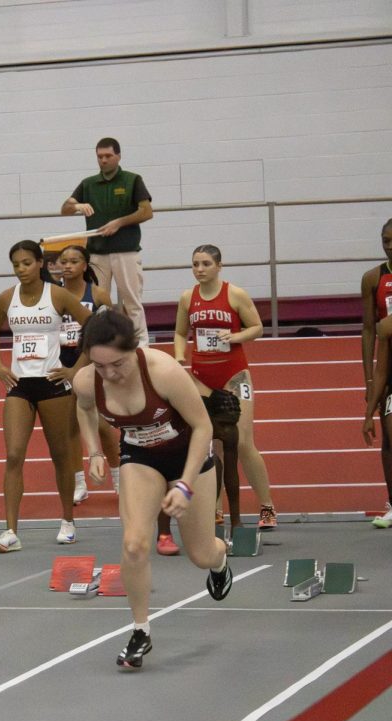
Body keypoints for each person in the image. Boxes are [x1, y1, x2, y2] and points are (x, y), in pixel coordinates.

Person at [73, 310, 232, 669]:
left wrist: (187, 485)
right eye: (100, 367)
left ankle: (220, 559)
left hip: (188, 454)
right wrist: (95, 451)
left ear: (134, 349)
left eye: (117, 364)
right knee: (133, 544)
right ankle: (140, 630)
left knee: (200, 554)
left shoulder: (162, 373)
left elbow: (204, 427)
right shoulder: (86, 381)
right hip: (140, 456)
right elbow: (84, 410)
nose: (110, 374)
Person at [0, 241, 91, 552]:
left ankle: (68, 522)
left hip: (53, 384)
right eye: (16, 264)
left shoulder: (57, 295)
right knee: (14, 455)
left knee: (60, 455)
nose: (21, 269)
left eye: (27, 263)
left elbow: (92, 324)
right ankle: (10, 532)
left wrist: (76, 369)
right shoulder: (7, 298)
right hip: (19, 385)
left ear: (40, 263)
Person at [172, 245, 277, 532]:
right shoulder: (187, 298)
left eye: (206, 263)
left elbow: (257, 327)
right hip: (201, 379)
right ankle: (216, 508)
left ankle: (266, 506)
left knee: (242, 441)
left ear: (219, 266)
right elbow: (181, 333)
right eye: (195, 264)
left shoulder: (235, 294)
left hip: (234, 375)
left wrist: (234, 335)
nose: (200, 269)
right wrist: (180, 357)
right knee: (212, 443)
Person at [61, 137, 154, 344]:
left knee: (132, 301)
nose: (103, 160)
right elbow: (64, 209)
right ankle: (97, 342)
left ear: (118, 156)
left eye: (108, 156)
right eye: (99, 156)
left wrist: (119, 222)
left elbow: (146, 212)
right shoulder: (88, 184)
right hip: (96, 254)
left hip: (126, 251)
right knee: (95, 300)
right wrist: (76, 207)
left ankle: (142, 346)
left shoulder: (132, 180)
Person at [55, 244, 119, 506]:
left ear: (85, 265)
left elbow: (108, 333)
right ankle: (78, 484)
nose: (68, 265)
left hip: (91, 364)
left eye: (73, 261)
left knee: (102, 424)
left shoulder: (99, 295)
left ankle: (119, 478)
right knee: (69, 427)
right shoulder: (51, 294)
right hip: (60, 364)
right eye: (64, 261)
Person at [359, 218, 392, 526]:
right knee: (389, 438)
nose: (389, 244)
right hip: (388, 363)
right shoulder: (373, 278)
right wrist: (369, 381)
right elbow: (370, 330)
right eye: (385, 239)